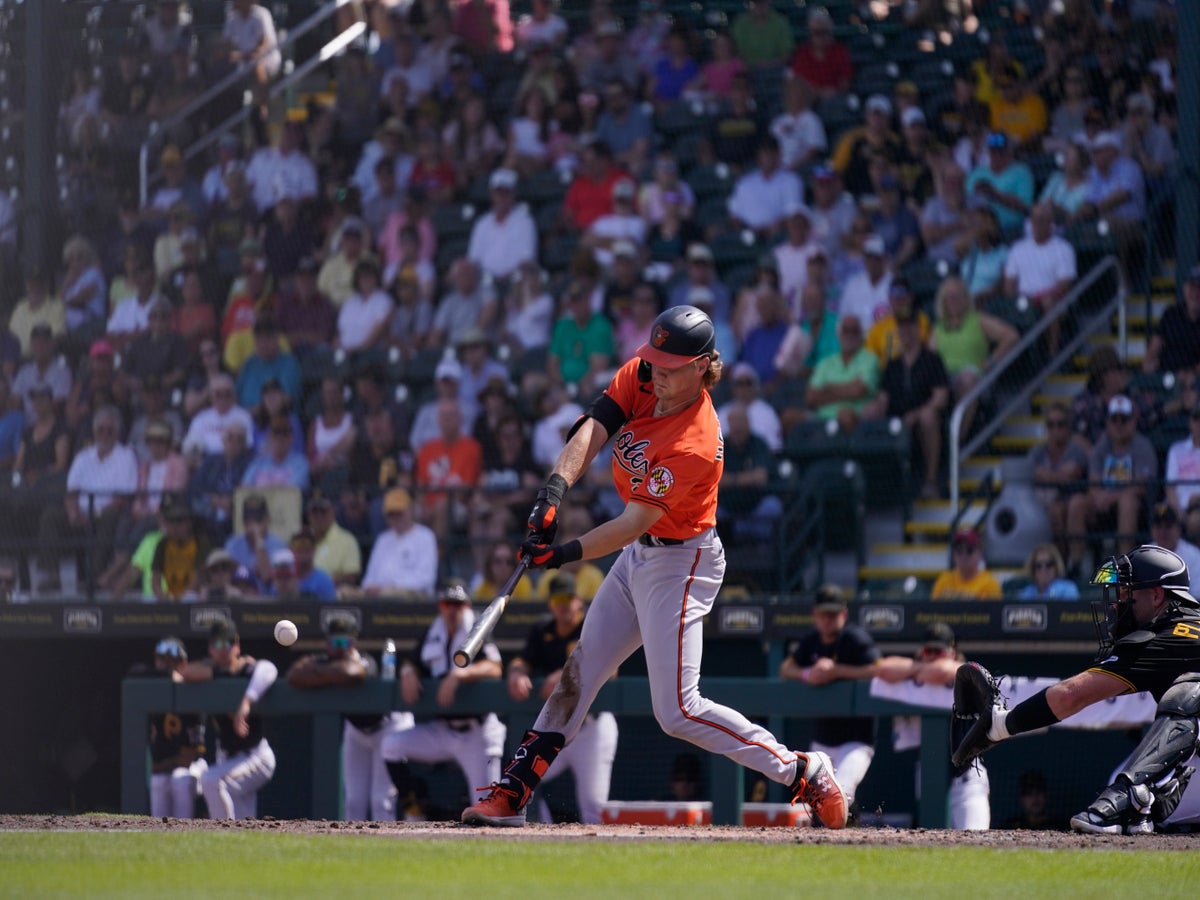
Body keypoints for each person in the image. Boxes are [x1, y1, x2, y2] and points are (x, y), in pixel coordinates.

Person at [460, 305, 848, 829]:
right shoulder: (645, 376)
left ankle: (802, 769)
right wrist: (554, 490)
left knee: (678, 712)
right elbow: (595, 428)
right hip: (639, 553)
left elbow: (630, 522)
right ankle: (513, 793)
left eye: (669, 364)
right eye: (654, 359)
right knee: (580, 672)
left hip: (683, 561)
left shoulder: (697, 441)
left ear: (702, 367)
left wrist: (564, 554)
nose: (655, 371)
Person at [951, 545, 1200, 835]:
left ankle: (1128, 793)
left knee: (1189, 693)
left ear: (1156, 595)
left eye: (1126, 592)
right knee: (1145, 809)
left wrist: (1001, 725)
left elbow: (1070, 695)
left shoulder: (1170, 636)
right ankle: (1136, 803)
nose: (1118, 602)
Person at [381, 581, 507, 820]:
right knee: (391, 746)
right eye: (448, 604)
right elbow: (412, 661)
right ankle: (414, 804)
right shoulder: (434, 632)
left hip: (476, 733)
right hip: (443, 730)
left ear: (466, 606)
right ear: (441, 606)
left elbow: (495, 668)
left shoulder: (478, 631)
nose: (452, 610)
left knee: (488, 812)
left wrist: (460, 674)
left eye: (458, 605)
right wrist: (407, 672)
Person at [506, 572, 618, 824]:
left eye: (568, 598)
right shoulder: (543, 629)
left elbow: (611, 668)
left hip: (592, 728)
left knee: (593, 807)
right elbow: (522, 661)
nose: (564, 605)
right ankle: (542, 835)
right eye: (558, 600)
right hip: (558, 730)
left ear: (579, 600)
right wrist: (516, 673)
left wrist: (564, 674)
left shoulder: (590, 625)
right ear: (551, 604)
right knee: (521, 782)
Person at [286, 616, 413, 821]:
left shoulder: (365, 659)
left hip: (388, 726)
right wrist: (328, 671)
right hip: (356, 731)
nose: (338, 647)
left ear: (353, 643)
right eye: (334, 642)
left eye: (343, 642)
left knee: (381, 801)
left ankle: (386, 850)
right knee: (353, 801)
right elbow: (293, 675)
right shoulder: (326, 661)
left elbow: (351, 673)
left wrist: (317, 672)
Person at [873, 623, 991, 830]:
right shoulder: (914, 675)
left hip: (968, 777)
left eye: (940, 651)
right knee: (935, 843)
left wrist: (918, 670)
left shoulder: (965, 672)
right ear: (921, 652)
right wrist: (920, 669)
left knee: (976, 839)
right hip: (929, 774)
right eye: (929, 651)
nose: (934, 656)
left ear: (952, 653)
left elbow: (946, 670)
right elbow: (882, 668)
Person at [779, 585, 880, 816]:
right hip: (823, 739)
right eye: (823, 614)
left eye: (833, 614)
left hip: (856, 739)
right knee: (817, 801)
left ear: (843, 614)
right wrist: (807, 674)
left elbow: (876, 669)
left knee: (842, 791)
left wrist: (837, 671)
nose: (827, 619)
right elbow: (786, 668)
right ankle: (826, 845)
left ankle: (851, 839)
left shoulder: (854, 638)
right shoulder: (812, 641)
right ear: (815, 614)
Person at [181, 619, 278, 820]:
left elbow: (269, 669)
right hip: (227, 756)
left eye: (228, 643)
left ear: (237, 646)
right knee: (243, 816)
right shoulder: (212, 670)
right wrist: (218, 671)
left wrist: (246, 702)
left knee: (211, 780)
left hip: (254, 755)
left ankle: (223, 836)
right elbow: (186, 672)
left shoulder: (245, 670)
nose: (223, 649)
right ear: (210, 648)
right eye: (217, 644)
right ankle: (241, 846)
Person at [1065, 393, 1158, 567]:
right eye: (1114, 419)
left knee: (1127, 501)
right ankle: (1075, 563)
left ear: (1133, 421)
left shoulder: (1142, 445)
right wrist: (1100, 496)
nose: (1119, 425)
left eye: (1124, 419)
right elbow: (1094, 481)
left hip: (1136, 507)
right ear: (1107, 422)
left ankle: (1124, 564)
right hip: (1103, 504)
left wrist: (1111, 496)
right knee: (1077, 502)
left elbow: (1141, 485)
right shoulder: (1102, 446)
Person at [132, 635, 206, 819]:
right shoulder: (150, 687)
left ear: (182, 663)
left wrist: (161, 766)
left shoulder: (192, 692)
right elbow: (135, 672)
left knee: (178, 779)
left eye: (171, 661)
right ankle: (160, 834)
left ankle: (183, 830)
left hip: (197, 766)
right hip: (163, 768)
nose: (166, 666)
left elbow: (189, 756)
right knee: (159, 781)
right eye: (162, 661)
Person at [360, 488, 438, 598]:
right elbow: (368, 580)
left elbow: (425, 580)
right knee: (345, 592)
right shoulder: (383, 539)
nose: (395, 517)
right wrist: (372, 589)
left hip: (413, 600)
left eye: (399, 513)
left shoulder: (425, 536)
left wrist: (389, 588)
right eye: (391, 514)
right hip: (379, 599)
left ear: (410, 510)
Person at [932, 528, 1002, 600]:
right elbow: (933, 610)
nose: (963, 555)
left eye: (969, 550)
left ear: (980, 553)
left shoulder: (990, 584)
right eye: (959, 550)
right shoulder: (943, 581)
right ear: (953, 554)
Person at [1148, 504, 1200, 596]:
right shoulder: (1144, 554)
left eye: (1168, 526)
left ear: (1178, 529)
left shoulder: (1194, 556)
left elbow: (1197, 596)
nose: (1163, 532)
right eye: (1158, 527)